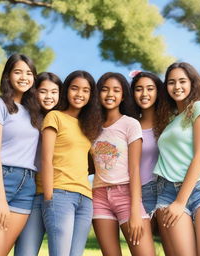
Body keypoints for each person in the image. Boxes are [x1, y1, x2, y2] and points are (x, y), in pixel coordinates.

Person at [0, 53, 40, 256]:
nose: (24, 77)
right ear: (8, 76)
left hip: (27, 186)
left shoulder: (35, 113)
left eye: (29, 73)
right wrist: (1, 199)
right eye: (18, 72)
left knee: (0, 252)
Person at [154, 62, 200, 256]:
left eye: (182, 81)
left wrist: (180, 202)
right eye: (171, 82)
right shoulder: (170, 122)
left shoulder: (198, 108)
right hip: (168, 192)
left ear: (192, 83)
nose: (177, 87)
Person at [91, 72, 155, 256]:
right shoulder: (92, 126)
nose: (110, 94)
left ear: (123, 95)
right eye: (104, 89)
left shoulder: (130, 124)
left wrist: (135, 209)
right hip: (99, 197)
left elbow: (134, 169)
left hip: (126, 195)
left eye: (116, 90)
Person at [40, 70, 102, 256]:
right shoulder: (55, 117)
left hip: (85, 198)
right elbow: (46, 158)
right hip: (60, 194)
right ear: (66, 90)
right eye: (75, 88)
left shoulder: (89, 126)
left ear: (91, 95)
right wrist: (49, 197)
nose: (79, 94)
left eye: (85, 90)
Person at [14, 72, 62, 256]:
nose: (49, 97)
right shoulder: (26, 118)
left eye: (54, 92)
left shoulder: (64, 119)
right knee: (25, 251)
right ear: (34, 92)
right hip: (30, 191)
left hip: (59, 193)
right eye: (43, 91)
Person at [130, 70, 175, 255]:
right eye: (139, 89)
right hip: (142, 194)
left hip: (169, 189)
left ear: (158, 92)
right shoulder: (131, 126)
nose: (144, 94)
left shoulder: (170, 125)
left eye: (150, 88)